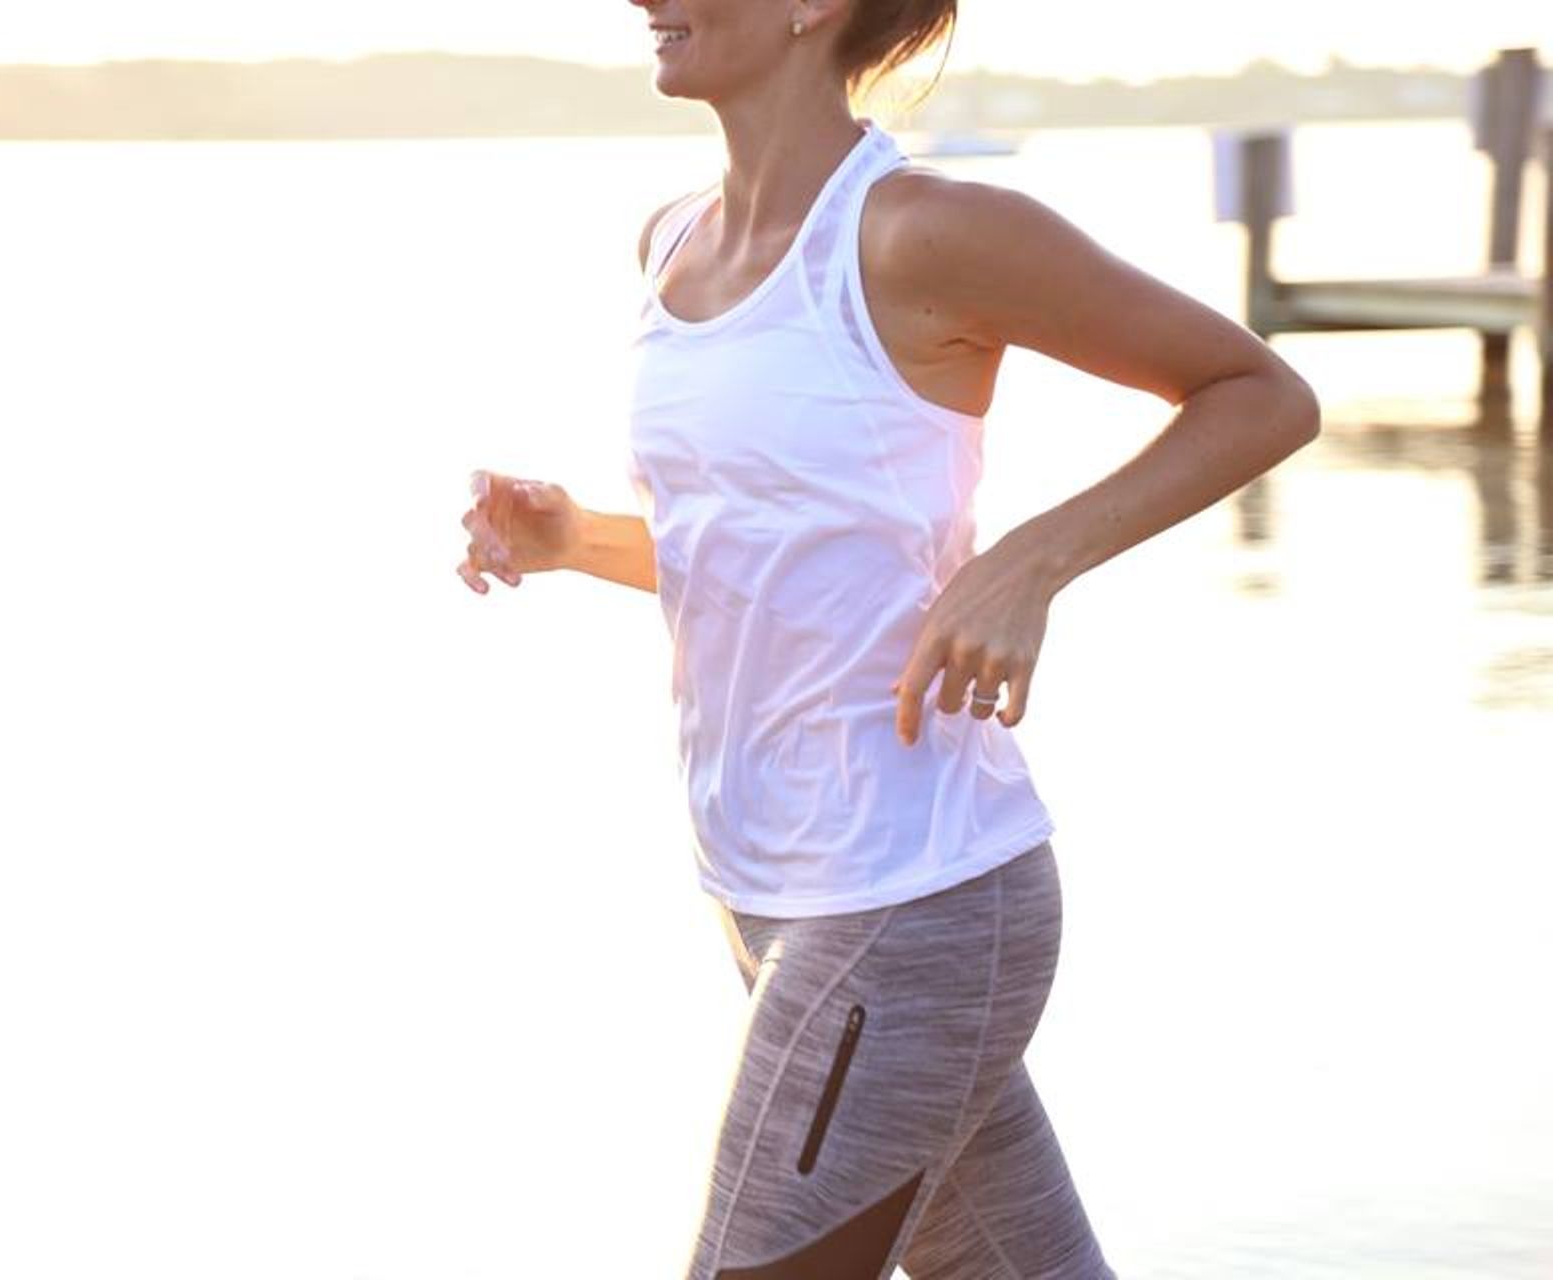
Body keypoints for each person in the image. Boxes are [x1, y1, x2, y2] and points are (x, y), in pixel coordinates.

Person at [455, 1, 1321, 1275]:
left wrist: (1032, 559)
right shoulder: (669, 240)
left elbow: (1261, 393)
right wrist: (575, 535)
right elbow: (760, 557)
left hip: (910, 898)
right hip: (766, 890)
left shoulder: (930, 232)